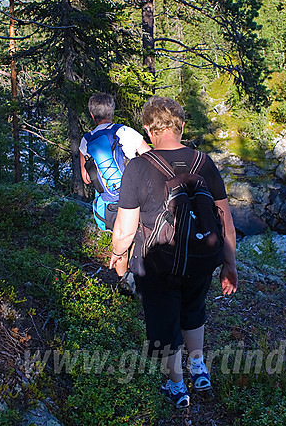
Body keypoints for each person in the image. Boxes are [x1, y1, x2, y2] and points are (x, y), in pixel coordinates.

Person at [109, 96, 238, 409]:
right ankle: (199, 368)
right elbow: (225, 220)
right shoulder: (203, 162)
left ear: (149, 130)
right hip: (202, 257)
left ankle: (177, 386)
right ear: (181, 126)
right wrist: (229, 265)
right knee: (193, 308)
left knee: (165, 320)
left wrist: (119, 256)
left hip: (159, 262)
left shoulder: (139, 167)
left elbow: (125, 229)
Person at [79, 93, 151, 231]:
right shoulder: (125, 131)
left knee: (119, 240)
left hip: (108, 208)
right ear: (112, 113)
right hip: (135, 201)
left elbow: (86, 179)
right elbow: (152, 159)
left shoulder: (86, 140)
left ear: (92, 116)